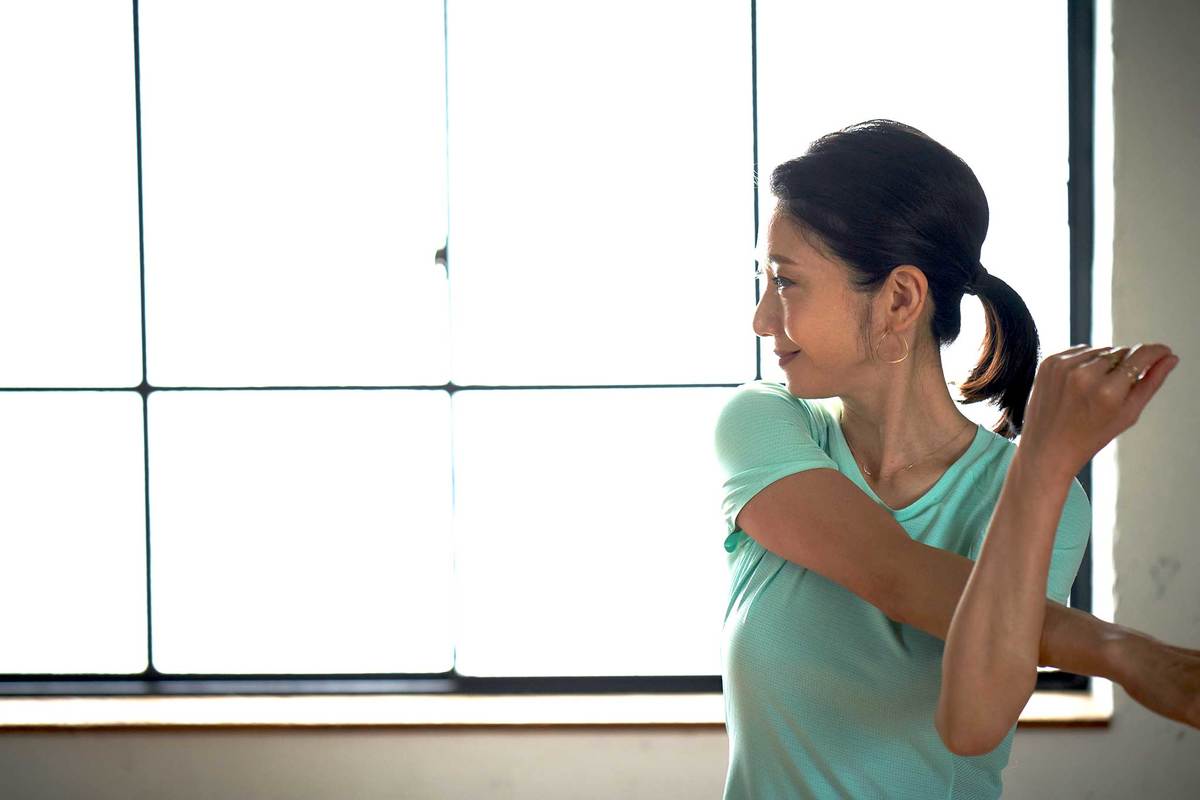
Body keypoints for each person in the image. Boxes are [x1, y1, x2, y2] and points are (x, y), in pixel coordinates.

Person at [713, 119, 1198, 799]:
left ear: (900, 299)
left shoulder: (1038, 498)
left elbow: (972, 725)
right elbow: (895, 574)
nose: (762, 319)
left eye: (786, 283)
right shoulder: (763, 424)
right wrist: (1121, 650)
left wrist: (1041, 466)